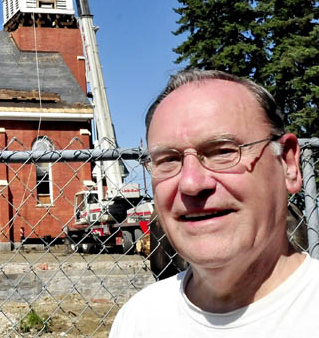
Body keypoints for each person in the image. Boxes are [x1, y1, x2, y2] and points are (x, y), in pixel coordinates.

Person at [110, 69, 318, 337]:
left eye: (223, 152)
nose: (191, 183)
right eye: (168, 160)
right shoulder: (138, 320)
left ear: (288, 164)